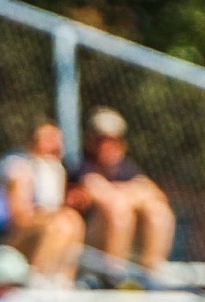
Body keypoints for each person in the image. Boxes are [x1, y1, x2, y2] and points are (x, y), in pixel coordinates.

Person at [70, 108, 174, 269]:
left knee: (157, 211)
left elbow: (156, 194)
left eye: (115, 140)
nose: (109, 146)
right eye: (102, 140)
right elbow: (105, 196)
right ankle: (113, 273)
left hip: (129, 238)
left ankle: (151, 271)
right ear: (91, 141)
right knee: (117, 209)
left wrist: (124, 192)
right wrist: (133, 192)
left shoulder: (127, 168)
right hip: (88, 241)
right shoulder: (83, 167)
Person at [0, 123, 83, 280]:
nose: (56, 145)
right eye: (49, 139)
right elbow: (19, 216)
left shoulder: (54, 168)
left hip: (40, 226)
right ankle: (38, 277)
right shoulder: (17, 167)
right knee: (55, 225)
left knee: (72, 221)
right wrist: (48, 217)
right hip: (6, 235)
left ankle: (63, 278)